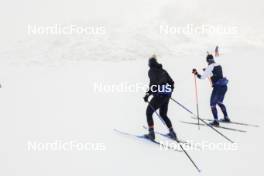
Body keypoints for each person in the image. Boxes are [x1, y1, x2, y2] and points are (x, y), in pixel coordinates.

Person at [143, 55, 177, 140]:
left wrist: (147, 94)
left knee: (148, 112)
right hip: (166, 95)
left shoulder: (151, 71)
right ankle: (172, 133)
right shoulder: (163, 71)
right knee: (163, 114)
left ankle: (151, 134)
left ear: (150, 64)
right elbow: (171, 82)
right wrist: (168, 92)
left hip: (159, 95)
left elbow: (153, 85)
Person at [192, 54, 230, 126]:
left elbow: (202, 77)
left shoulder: (210, 67)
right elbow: (215, 73)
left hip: (218, 87)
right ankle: (226, 117)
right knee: (219, 102)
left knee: (212, 104)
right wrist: (207, 70)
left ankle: (216, 121)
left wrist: (196, 73)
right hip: (224, 86)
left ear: (207, 60)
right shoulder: (218, 65)